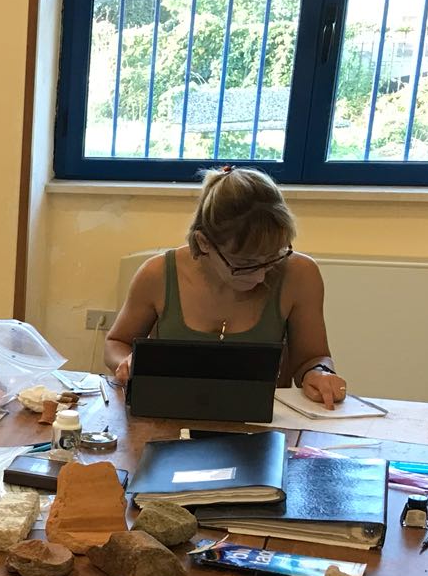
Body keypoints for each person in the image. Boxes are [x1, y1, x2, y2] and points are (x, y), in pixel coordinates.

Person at [103, 166, 347, 408]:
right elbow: (116, 343)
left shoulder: (299, 274)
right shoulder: (157, 274)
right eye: (246, 264)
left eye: (273, 257)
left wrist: (319, 372)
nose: (261, 276)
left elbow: (312, 357)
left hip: (259, 424)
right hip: (169, 416)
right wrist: (128, 361)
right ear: (204, 242)